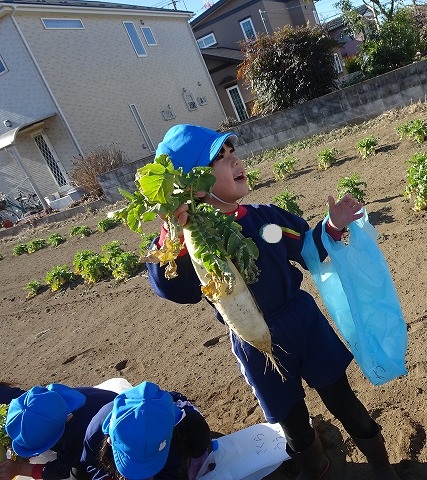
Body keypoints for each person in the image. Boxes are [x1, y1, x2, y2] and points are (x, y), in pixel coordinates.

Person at [146, 124, 401, 480]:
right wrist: (171, 233)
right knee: (293, 425)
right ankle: (317, 469)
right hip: (255, 342)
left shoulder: (266, 218)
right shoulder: (193, 245)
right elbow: (175, 288)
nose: (236, 160)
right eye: (221, 159)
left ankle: (383, 469)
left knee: (344, 402)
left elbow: (307, 248)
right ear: (195, 186)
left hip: (304, 324)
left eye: (233, 152)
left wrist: (332, 226)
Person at [81, 381, 211, 480]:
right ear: (110, 441)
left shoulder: (191, 428)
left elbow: (173, 468)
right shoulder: (95, 431)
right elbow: (92, 464)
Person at [1, 384, 117, 480]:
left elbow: (62, 470)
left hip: (111, 444)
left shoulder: (75, 438)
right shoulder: (54, 398)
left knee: (78, 475)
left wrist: (19, 468)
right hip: (109, 405)